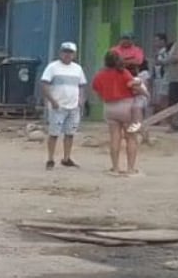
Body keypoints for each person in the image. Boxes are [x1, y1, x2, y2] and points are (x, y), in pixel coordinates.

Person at [90, 51, 145, 177]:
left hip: (109, 107)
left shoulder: (100, 74)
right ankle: (130, 168)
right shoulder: (124, 73)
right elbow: (134, 87)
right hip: (126, 105)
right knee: (131, 137)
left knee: (114, 138)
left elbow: (97, 90)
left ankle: (115, 167)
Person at [39, 41, 87, 171]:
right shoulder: (53, 67)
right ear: (60, 53)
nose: (67, 55)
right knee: (54, 133)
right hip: (58, 106)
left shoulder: (77, 69)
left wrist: (81, 100)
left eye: (70, 52)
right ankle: (50, 158)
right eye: (65, 52)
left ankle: (66, 158)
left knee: (70, 133)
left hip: (73, 106)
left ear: (74, 54)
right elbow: (44, 84)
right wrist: (52, 100)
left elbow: (82, 85)